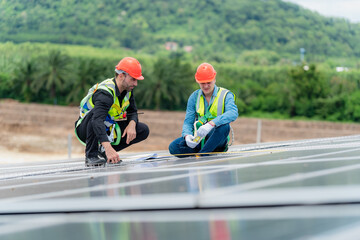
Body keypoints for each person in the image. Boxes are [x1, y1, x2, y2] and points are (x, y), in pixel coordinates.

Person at [75, 57, 149, 166]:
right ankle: (92, 155)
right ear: (121, 76)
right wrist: (108, 147)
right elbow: (96, 121)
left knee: (142, 130)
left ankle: (104, 152)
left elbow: (133, 111)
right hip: (86, 128)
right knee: (96, 116)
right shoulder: (105, 93)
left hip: (106, 127)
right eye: (133, 79)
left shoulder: (127, 90)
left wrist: (132, 124)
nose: (136, 83)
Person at [168, 62, 238, 157]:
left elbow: (233, 113)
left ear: (214, 79)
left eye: (208, 82)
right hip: (200, 138)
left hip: (217, 138)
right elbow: (188, 122)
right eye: (202, 83)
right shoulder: (194, 97)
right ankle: (203, 151)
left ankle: (202, 154)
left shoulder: (226, 95)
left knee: (224, 127)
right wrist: (187, 135)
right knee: (174, 147)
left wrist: (211, 124)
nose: (205, 86)